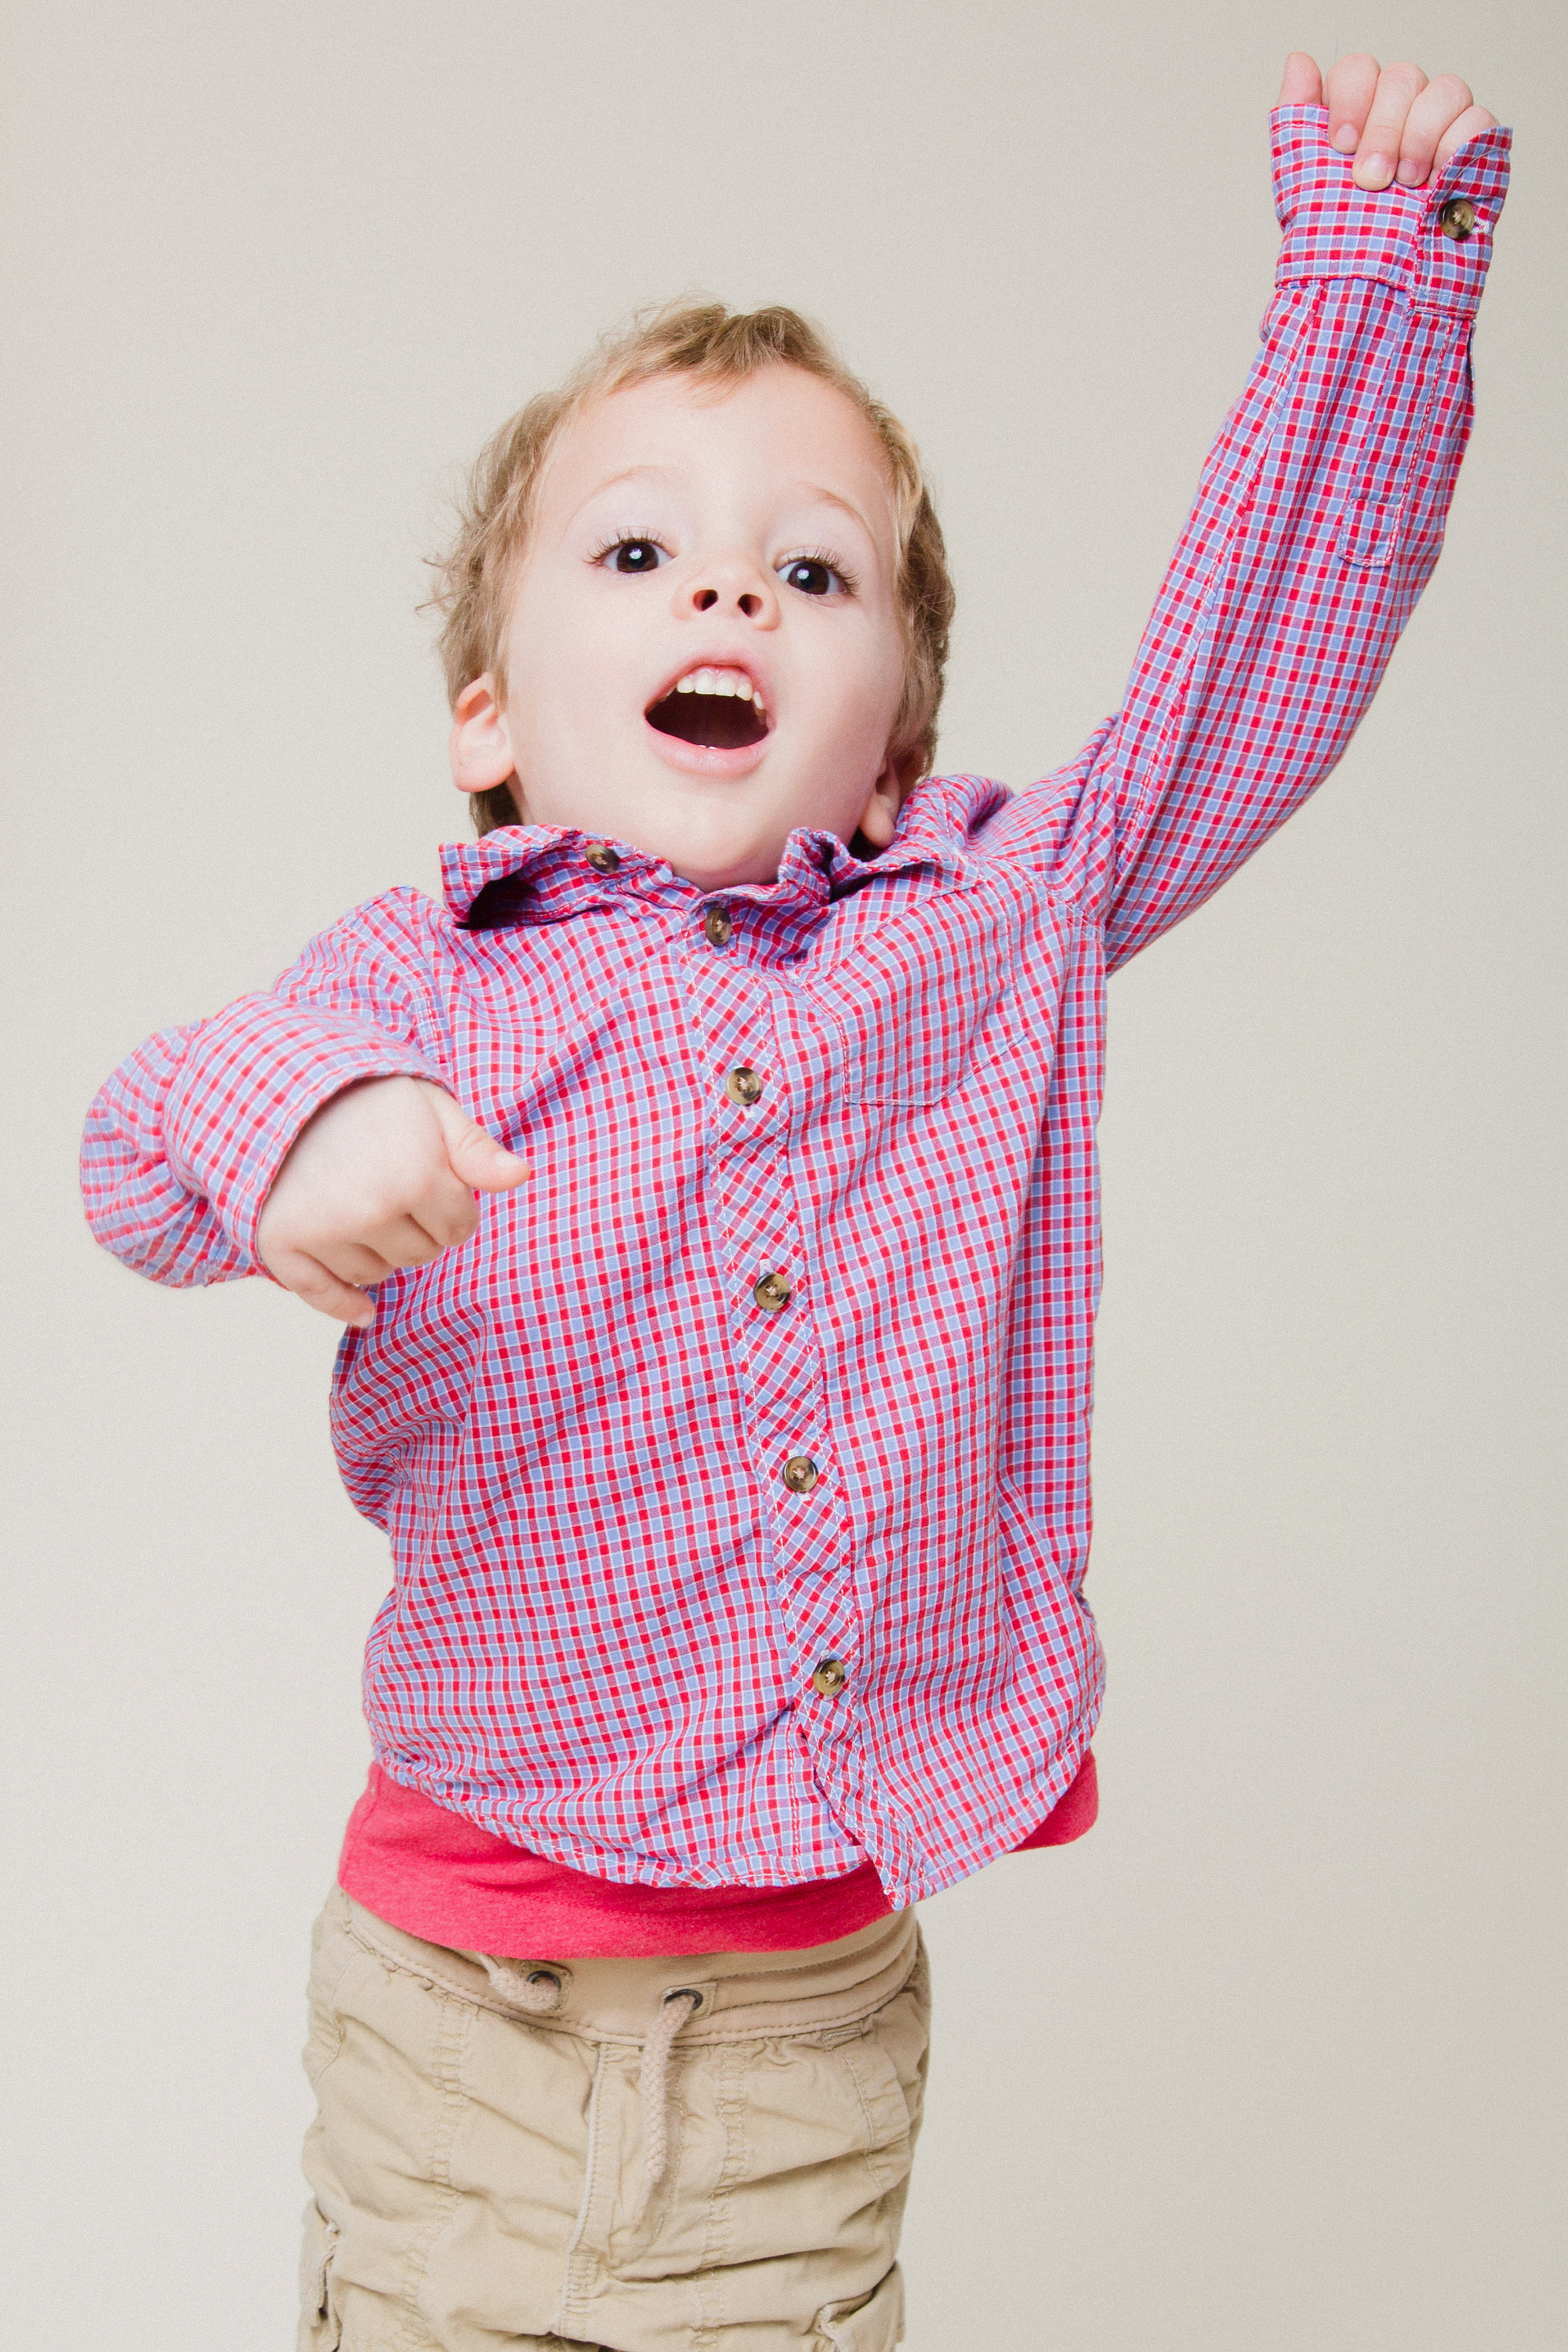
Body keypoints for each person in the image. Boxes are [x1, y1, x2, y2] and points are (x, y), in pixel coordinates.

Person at [79, 49, 1508, 2352]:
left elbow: (1258, 660)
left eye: (809, 566)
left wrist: (1370, 271)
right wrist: (300, 1128)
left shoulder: (991, 919)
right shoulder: (418, 979)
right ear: (490, 714)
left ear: (900, 733)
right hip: (459, 1997)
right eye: (638, 548)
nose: (727, 579)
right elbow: (132, 1146)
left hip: (800, 2039)